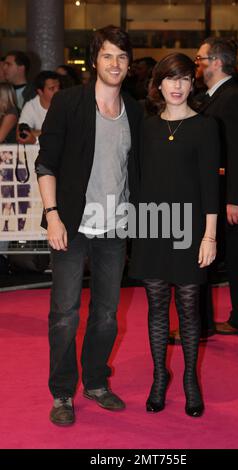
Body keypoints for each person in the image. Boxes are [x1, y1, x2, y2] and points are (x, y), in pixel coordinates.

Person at [35, 25, 142, 426]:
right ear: (95, 60)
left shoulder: (133, 109)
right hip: (71, 225)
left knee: (107, 314)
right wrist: (53, 216)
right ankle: (63, 391)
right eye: (108, 55)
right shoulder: (68, 103)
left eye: (122, 57)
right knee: (64, 314)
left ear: (129, 65)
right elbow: (45, 162)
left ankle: (96, 381)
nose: (115, 63)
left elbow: (135, 172)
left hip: (115, 228)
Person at [129, 53, 220, 417]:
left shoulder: (205, 126)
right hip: (151, 226)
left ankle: (189, 380)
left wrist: (209, 235)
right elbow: (136, 179)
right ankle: (158, 377)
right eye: (170, 78)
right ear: (159, 84)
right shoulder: (146, 126)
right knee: (155, 308)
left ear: (191, 83)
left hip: (190, 229)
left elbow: (211, 185)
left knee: (188, 309)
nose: (177, 86)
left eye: (184, 78)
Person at [193, 37, 238, 338]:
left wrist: (235, 199)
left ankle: (206, 324)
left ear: (217, 63)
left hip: (227, 196)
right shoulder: (215, 96)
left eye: (200, 59)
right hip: (221, 192)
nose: (196, 64)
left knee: (219, 259)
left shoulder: (232, 97)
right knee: (236, 259)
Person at [17, 71, 60, 145]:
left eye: (58, 87)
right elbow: (21, 134)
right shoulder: (31, 106)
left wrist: (35, 133)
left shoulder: (66, 103)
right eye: (52, 88)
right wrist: (52, 132)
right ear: (40, 91)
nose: (57, 91)